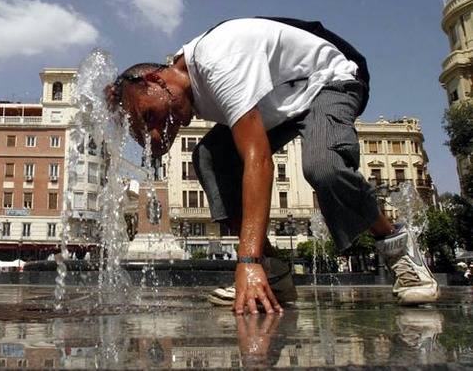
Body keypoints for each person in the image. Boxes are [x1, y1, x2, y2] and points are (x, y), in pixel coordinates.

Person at [106, 17, 439, 314]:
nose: (155, 129)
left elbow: (258, 159)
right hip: (282, 103)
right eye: (145, 128)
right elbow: (160, 137)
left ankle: (398, 247)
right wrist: (129, 114)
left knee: (323, 166)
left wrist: (246, 261)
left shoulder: (218, 62)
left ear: (154, 78)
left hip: (328, 81)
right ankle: (275, 273)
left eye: (150, 115)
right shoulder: (183, 87)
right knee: (209, 157)